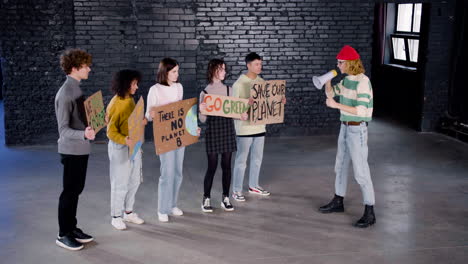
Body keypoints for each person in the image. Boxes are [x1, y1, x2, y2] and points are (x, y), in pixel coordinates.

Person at [319, 45, 376, 228]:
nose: (338, 65)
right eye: (338, 62)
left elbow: (361, 110)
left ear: (350, 63)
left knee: (361, 171)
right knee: (340, 165)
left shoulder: (363, 82)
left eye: (340, 62)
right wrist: (327, 80)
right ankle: (338, 201)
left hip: (357, 129)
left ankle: (370, 210)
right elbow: (331, 94)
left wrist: (337, 106)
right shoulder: (345, 81)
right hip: (344, 128)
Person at [145, 58, 200, 222]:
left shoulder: (179, 87)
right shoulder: (154, 90)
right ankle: (162, 209)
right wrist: (152, 114)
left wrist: (192, 128)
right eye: (174, 71)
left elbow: (181, 112)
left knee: (177, 172)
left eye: (178, 71)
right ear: (165, 72)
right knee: (166, 173)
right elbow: (148, 115)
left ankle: (172, 204)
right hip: (164, 136)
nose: (177, 74)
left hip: (179, 135)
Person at [54, 48, 95, 250]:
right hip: (71, 150)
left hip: (81, 149)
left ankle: (72, 228)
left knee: (76, 190)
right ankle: (63, 234)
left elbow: (81, 120)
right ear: (75, 68)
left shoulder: (77, 88)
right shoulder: (65, 93)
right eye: (86, 66)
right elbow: (63, 130)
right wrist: (83, 134)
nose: (89, 68)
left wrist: (97, 122)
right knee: (69, 192)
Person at [231, 52, 286, 202]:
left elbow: (267, 104)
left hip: (260, 127)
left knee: (257, 159)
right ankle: (236, 190)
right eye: (256, 64)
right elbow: (234, 107)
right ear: (248, 65)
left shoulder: (262, 82)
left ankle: (253, 185)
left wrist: (279, 102)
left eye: (260, 64)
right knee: (241, 160)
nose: (259, 66)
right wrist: (245, 104)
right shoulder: (239, 84)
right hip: (245, 128)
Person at [198, 59, 247, 212]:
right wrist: (202, 110)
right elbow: (203, 120)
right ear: (213, 70)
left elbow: (234, 113)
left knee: (226, 166)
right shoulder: (204, 93)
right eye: (222, 69)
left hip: (226, 130)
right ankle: (206, 198)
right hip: (213, 131)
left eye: (225, 69)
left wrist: (242, 116)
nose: (225, 72)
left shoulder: (229, 90)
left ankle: (225, 197)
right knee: (211, 166)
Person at [106, 69, 146, 230]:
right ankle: (116, 216)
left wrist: (140, 122)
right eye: (134, 84)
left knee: (135, 180)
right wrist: (125, 140)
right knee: (120, 183)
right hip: (120, 147)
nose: (137, 87)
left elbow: (131, 121)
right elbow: (110, 131)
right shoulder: (116, 104)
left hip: (134, 146)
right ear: (126, 84)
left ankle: (128, 213)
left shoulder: (129, 99)